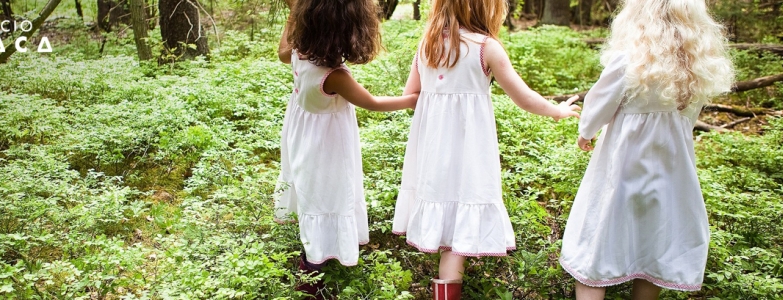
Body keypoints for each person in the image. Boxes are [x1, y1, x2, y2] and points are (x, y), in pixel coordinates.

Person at [391, 0, 580, 298]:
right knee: (460, 216)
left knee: (445, 209)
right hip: (469, 149)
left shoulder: (427, 45)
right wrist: (556, 111)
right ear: (486, 8)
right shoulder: (486, 47)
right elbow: (524, 97)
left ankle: (445, 283)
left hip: (431, 148)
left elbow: (410, 94)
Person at [558, 0, 733, 298]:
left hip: (622, 166)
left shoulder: (629, 61)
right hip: (671, 170)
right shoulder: (697, 66)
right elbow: (688, 120)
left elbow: (600, 103)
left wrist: (586, 132)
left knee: (597, 236)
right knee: (654, 241)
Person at [273, 0, 418, 297]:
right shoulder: (335, 75)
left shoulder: (299, 52)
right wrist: (415, 99)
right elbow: (373, 103)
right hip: (327, 145)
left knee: (312, 191)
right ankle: (313, 266)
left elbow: (281, 53)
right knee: (329, 193)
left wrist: (294, 12)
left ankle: (313, 253)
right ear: (348, 31)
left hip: (302, 137)